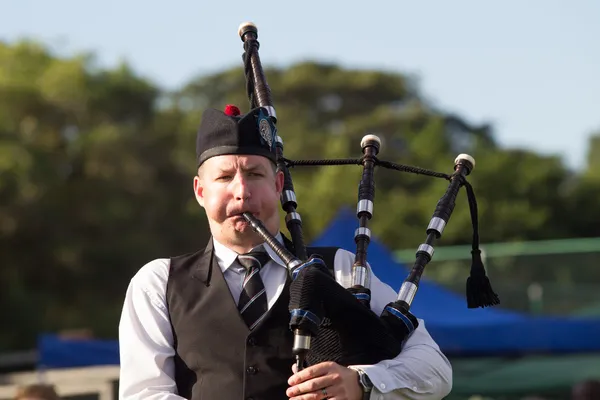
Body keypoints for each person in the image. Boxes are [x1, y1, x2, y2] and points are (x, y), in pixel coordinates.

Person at [118, 105, 453, 400]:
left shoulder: (338, 269)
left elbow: (434, 368)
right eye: (224, 177)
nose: (242, 191)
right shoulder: (159, 282)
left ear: (278, 185)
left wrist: (364, 383)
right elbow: (144, 393)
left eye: (254, 174)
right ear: (200, 191)